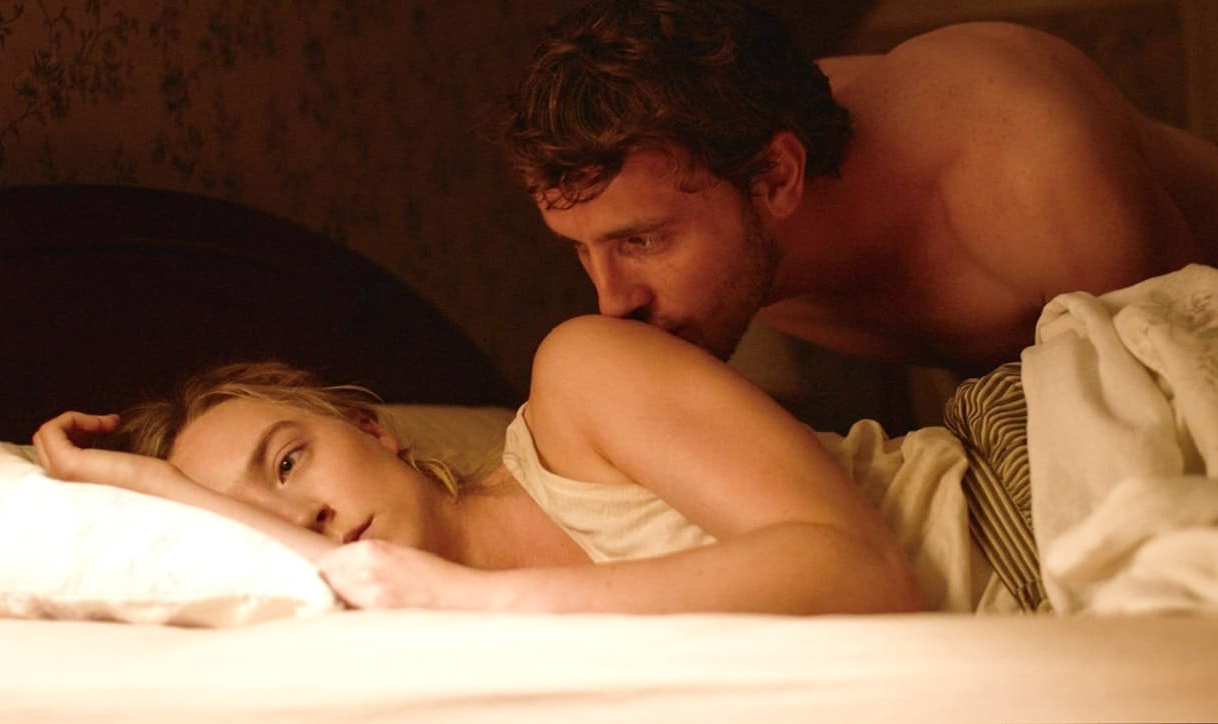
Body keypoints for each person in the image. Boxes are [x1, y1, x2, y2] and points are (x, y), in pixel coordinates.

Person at [500, 0, 1218, 379]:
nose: (612, 302)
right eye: (581, 248)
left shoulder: (1027, 172)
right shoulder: (720, 192)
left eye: (642, 241)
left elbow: (1190, 412)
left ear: (778, 177)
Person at [31, 315, 924, 616]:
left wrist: (472, 594)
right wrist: (142, 482)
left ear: (370, 429)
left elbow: (864, 570)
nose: (303, 516)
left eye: (291, 460)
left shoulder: (580, 379)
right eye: (257, 515)